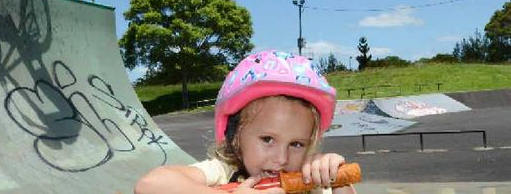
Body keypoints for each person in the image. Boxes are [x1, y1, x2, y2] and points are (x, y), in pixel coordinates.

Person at [134, 50, 357, 194]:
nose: (281, 159)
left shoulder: (313, 183)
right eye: (268, 139)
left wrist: (338, 180)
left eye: (296, 144)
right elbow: (149, 186)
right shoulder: (224, 171)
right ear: (235, 136)